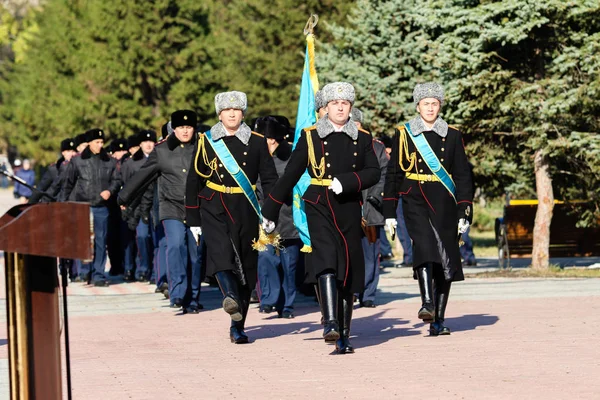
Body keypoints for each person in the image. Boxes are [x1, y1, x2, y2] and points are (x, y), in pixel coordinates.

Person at [262, 82, 381, 354]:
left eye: (345, 104)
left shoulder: (362, 137)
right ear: (325, 108)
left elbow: (373, 172)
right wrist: (270, 209)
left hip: (349, 206)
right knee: (326, 259)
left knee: (348, 268)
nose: (340, 108)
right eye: (334, 104)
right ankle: (330, 323)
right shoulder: (311, 136)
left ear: (351, 107)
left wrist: (350, 181)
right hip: (319, 203)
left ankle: (345, 335)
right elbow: (291, 173)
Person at [185, 91, 278, 343]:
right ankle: (230, 297)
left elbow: (269, 179)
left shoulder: (257, 142)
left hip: (245, 207)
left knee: (247, 268)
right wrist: (192, 219)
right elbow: (194, 181)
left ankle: (237, 326)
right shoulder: (206, 141)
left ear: (243, 113)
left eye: (237, 110)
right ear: (219, 114)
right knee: (220, 253)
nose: (232, 114)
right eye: (227, 110)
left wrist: (270, 212)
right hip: (213, 205)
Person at [383, 82, 473, 336]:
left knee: (446, 257)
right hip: (414, 198)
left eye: (435, 104)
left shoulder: (452, 135)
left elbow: (463, 174)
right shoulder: (404, 133)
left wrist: (464, 209)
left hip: (444, 200)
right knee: (423, 245)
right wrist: (389, 211)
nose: (430, 108)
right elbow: (393, 174)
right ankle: (427, 303)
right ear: (418, 106)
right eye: (426, 104)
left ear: (440, 106)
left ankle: (438, 320)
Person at [119, 111, 203, 314]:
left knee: (196, 254)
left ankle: (193, 297)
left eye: (189, 127)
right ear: (173, 129)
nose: (185, 131)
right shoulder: (162, 150)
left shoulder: (202, 148)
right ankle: (177, 294)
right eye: (181, 127)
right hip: (171, 207)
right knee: (175, 246)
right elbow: (143, 175)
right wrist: (124, 197)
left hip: (197, 209)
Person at [60, 128, 121, 286]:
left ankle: (99, 275)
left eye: (102, 142)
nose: (100, 145)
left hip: (101, 207)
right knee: (84, 241)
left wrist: (110, 190)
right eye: (97, 142)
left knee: (101, 240)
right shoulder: (77, 161)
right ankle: (85, 271)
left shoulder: (109, 160)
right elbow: (68, 184)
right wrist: (63, 204)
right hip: (82, 206)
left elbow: (116, 180)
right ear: (89, 143)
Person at [255, 116, 300, 319]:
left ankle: (287, 305)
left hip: (287, 218)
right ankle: (268, 299)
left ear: (272, 139)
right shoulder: (258, 157)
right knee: (265, 258)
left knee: (288, 264)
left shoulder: (290, 157)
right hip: (264, 219)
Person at [351, 108, 388, 308]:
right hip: (348, 208)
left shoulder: (377, 147)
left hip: (371, 209)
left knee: (371, 255)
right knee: (351, 253)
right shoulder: (341, 146)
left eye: (356, 125)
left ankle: (369, 294)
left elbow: (384, 174)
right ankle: (354, 290)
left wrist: (375, 197)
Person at [120, 130, 157, 281]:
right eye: (145, 142)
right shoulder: (131, 163)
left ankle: (156, 271)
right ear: (140, 144)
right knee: (141, 237)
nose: (148, 144)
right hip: (138, 206)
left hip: (155, 205)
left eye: (151, 142)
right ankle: (143, 268)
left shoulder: (159, 159)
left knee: (156, 239)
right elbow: (126, 184)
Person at [29, 138, 77, 204]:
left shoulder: (79, 168)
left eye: (73, 151)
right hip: (55, 205)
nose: (71, 154)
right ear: (63, 152)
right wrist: (30, 205)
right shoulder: (54, 169)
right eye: (68, 151)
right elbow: (40, 189)